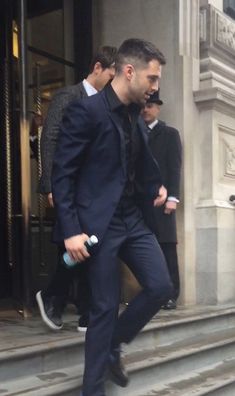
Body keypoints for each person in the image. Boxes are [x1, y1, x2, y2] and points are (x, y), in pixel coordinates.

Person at [50, 38, 173, 396]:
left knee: (161, 286)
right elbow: (63, 173)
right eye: (151, 79)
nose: (154, 87)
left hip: (132, 219)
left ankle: (113, 345)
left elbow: (136, 164)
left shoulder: (134, 114)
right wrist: (71, 230)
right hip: (97, 225)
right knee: (104, 307)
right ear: (129, 71)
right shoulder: (86, 111)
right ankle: (93, 390)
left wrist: (157, 189)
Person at [36, 45, 117, 332]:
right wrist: (49, 185)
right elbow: (50, 140)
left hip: (94, 191)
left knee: (89, 246)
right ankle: (55, 297)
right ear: (97, 68)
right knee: (76, 246)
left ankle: (80, 307)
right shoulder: (68, 96)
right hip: (68, 186)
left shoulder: (109, 104)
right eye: (111, 74)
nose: (113, 81)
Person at [142, 90, 182, 309]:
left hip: (164, 203)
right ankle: (152, 293)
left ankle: (171, 294)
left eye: (150, 106)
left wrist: (173, 198)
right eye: (144, 106)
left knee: (167, 248)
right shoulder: (135, 132)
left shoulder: (170, 134)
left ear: (158, 108)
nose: (146, 109)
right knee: (147, 250)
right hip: (141, 204)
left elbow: (174, 168)